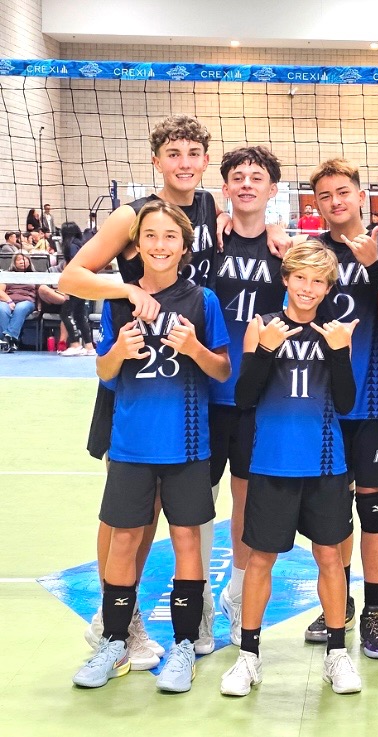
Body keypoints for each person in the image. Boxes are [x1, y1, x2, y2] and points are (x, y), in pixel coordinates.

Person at [60, 115, 225, 662]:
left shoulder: (206, 209)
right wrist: (127, 288)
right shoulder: (132, 216)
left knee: (167, 515)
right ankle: (115, 623)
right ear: (157, 160)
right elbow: (71, 279)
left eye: (192, 153)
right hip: (129, 379)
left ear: (204, 160)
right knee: (126, 515)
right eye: (172, 152)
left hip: (182, 385)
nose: (183, 162)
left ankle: (159, 622)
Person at [220, 241, 360, 697]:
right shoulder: (261, 327)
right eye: (300, 277)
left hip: (325, 465)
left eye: (318, 281)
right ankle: (248, 656)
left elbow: (346, 403)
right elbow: (244, 397)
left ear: (328, 287)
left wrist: (340, 352)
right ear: (285, 279)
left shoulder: (335, 331)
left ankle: (337, 654)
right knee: (261, 558)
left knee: (330, 558)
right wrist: (262, 351)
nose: (307, 288)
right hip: (272, 462)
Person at [296, 158, 378, 659]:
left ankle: (376, 614)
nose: (335, 202)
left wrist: (377, 264)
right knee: (332, 515)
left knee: (376, 506)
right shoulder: (309, 257)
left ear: (361, 195)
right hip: (324, 405)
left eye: (343, 192)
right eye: (325, 196)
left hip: (375, 401)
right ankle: (340, 604)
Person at [209, 146, 287, 646]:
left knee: (243, 499)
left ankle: (237, 596)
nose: (246, 184)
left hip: (255, 397)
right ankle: (193, 601)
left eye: (256, 177)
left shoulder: (285, 252)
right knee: (195, 502)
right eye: (237, 177)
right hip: (203, 391)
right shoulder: (206, 244)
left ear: (272, 190)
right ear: (225, 189)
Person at [57, 222, 95, 356]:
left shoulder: (71, 245)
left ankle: (75, 345)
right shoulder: (80, 243)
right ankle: (89, 347)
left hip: (76, 281)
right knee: (79, 315)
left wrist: (67, 287)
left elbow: (74, 266)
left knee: (66, 313)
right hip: (83, 280)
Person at [0, 252, 37, 352]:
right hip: (8, 300)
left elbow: (40, 292)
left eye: (25, 259)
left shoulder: (36, 275)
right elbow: (0, 291)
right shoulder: (7, 275)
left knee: (20, 308)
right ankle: (9, 342)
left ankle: (7, 338)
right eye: (19, 259)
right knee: (1, 308)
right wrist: (9, 301)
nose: (22, 261)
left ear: (29, 262)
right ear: (14, 262)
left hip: (27, 301)